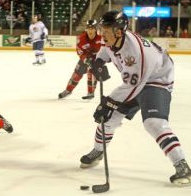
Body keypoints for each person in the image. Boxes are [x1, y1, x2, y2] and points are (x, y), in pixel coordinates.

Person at [80, 10, 191, 186]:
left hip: (157, 80)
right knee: (109, 119)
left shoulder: (136, 53)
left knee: (153, 122)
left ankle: (182, 165)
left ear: (118, 31)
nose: (102, 34)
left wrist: (107, 102)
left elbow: (132, 87)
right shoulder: (111, 39)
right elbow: (105, 50)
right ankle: (98, 151)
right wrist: (99, 61)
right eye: (102, 29)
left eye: (106, 30)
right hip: (136, 81)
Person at [58, 19, 102, 100]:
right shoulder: (81, 39)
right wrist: (85, 59)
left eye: (92, 28)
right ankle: (68, 90)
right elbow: (80, 52)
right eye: (88, 28)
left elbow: (107, 49)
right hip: (86, 58)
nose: (90, 30)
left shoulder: (102, 37)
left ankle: (90, 92)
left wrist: (103, 60)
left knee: (91, 73)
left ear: (96, 29)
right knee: (76, 74)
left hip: (97, 59)